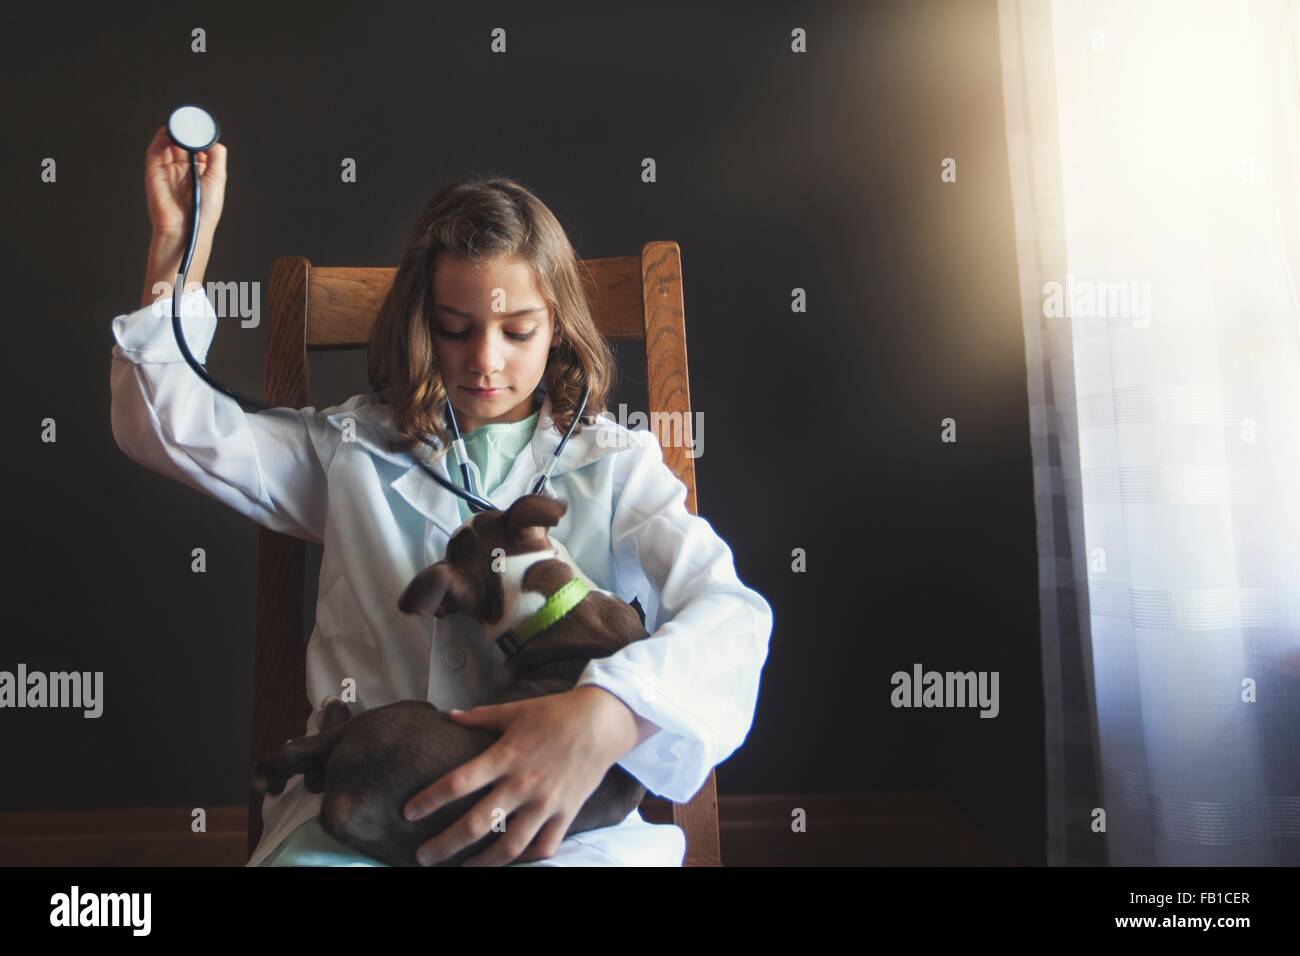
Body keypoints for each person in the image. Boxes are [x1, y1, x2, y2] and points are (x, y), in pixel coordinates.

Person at [110, 127, 773, 867]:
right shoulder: (349, 451)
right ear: (421, 326)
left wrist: (608, 713)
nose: (486, 361)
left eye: (517, 330)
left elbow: (732, 617)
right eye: (456, 330)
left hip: (562, 821)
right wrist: (178, 250)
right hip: (364, 810)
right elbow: (163, 428)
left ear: (556, 328)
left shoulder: (615, 466)